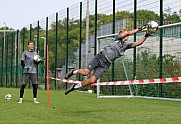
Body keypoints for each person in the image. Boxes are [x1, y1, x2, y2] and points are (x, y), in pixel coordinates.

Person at [65, 23, 152, 95]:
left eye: (127, 34)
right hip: (100, 57)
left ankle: (75, 86)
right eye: (125, 33)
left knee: (92, 80)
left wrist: (147, 34)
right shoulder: (117, 38)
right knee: (85, 72)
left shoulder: (126, 45)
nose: (127, 35)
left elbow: (139, 43)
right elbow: (128, 33)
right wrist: (140, 28)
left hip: (105, 64)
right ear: (121, 34)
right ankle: (73, 72)